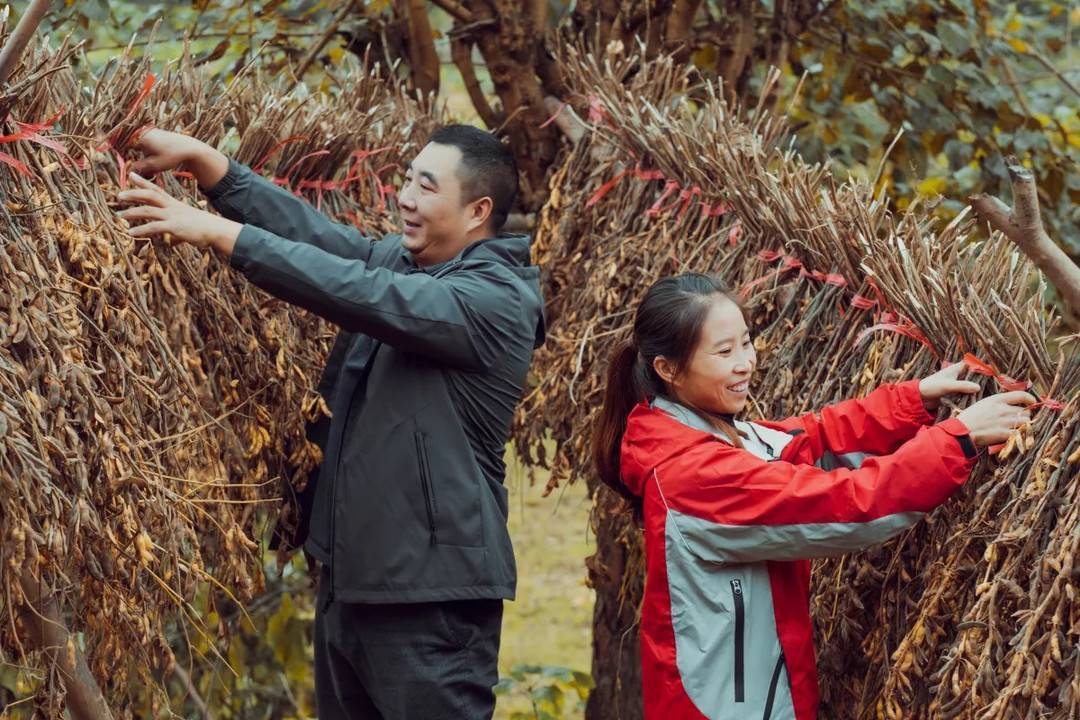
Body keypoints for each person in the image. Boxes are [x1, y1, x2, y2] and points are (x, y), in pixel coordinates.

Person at [116, 124, 545, 718]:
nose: (406, 197)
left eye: (426, 185)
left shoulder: (496, 301)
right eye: (407, 179)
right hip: (354, 583)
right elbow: (315, 238)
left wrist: (220, 235)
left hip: (431, 601)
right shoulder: (412, 264)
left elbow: (360, 291)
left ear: (478, 211)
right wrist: (214, 169)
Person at [591, 273, 1035, 720]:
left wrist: (913, 401)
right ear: (668, 369)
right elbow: (846, 505)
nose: (746, 362)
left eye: (746, 343)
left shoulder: (707, 432)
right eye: (724, 352)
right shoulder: (693, 473)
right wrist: (957, 439)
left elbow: (814, 439)